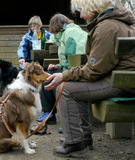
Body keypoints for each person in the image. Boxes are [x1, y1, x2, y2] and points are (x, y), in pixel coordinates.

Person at [45, 0, 135, 157]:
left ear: (92, 8)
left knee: (64, 89)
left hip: (120, 82)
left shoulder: (106, 27)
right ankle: (83, 137)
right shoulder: (118, 22)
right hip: (122, 78)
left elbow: (94, 70)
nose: (80, 15)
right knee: (73, 83)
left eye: (82, 10)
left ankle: (75, 143)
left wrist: (64, 75)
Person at [37, 13, 88, 125]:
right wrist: (58, 66)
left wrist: (62, 70)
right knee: (50, 74)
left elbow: (73, 58)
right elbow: (68, 58)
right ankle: (48, 113)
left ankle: (53, 116)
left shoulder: (69, 34)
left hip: (78, 71)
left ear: (56, 26)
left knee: (50, 78)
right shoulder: (70, 32)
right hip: (79, 68)